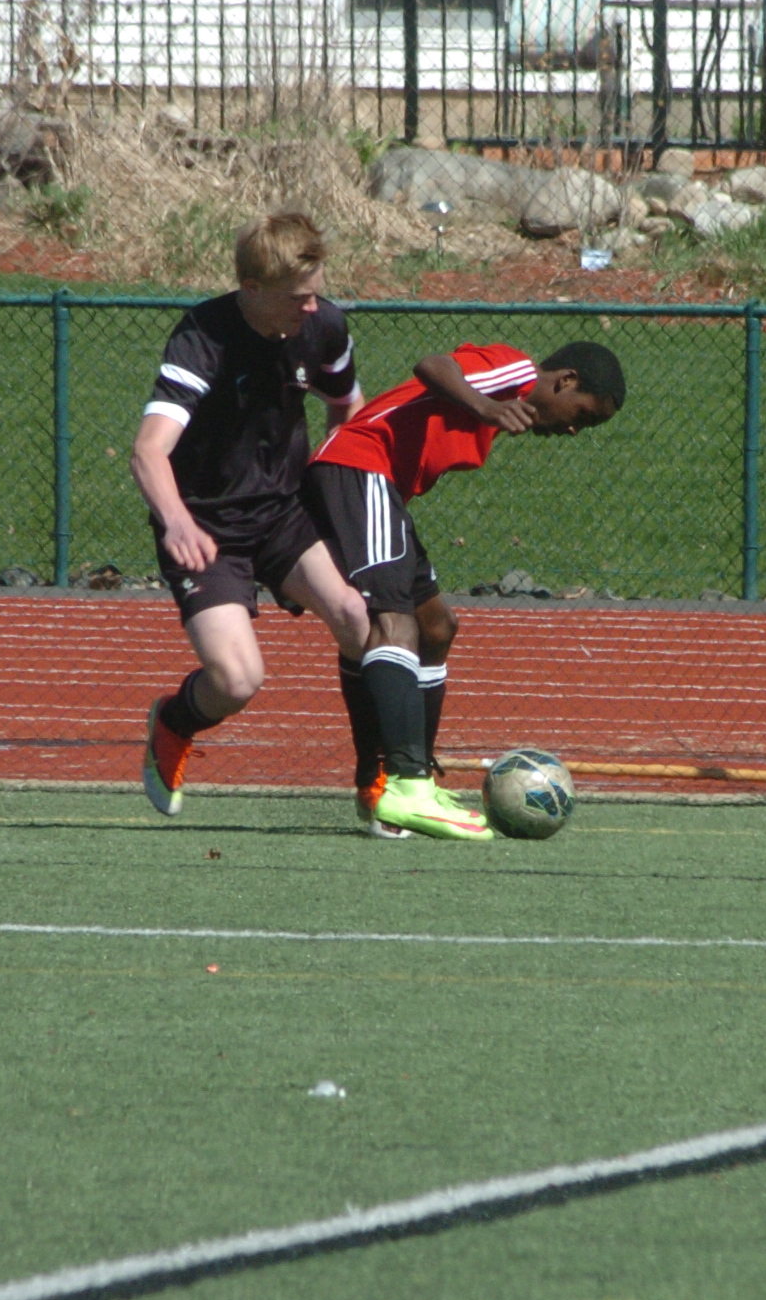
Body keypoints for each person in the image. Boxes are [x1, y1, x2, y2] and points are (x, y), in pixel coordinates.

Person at [305, 339, 626, 840]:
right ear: (565, 381)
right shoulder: (514, 370)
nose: (572, 430)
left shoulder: (508, 395)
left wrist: (486, 411)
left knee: (437, 627)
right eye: (581, 415)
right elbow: (432, 366)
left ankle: (416, 776)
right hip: (359, 466)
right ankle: (396, 784)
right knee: (393, 622)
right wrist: (487, 407)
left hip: (381, 486)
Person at [133, 213, 372, 815]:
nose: (312, 308)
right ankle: (175, 720)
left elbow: (348, 407)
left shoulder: (323, 326)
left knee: (358, 618)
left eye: (316, 293)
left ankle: (377, 781)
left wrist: (334, 486)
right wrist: (177, 522)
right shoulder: (202, 337)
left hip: (284, 512)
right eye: (298, 298)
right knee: (237, 680)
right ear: (252, 290)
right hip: (206, 527)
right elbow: (148, 451)